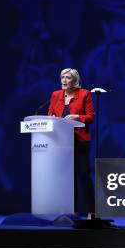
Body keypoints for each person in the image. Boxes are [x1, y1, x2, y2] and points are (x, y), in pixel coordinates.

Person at [47, 68, 95, 215]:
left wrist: (77, 117)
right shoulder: (56, 94)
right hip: (61, 142)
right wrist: (53, 119)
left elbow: (91, 117)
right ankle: (70, 213)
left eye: (68, 78)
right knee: (67, 178)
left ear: (75, 80)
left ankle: (92, 213)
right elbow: (50, 114)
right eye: (62, 77)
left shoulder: (84, 94)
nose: (64, 80)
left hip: (80, 140)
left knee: (82, 175)